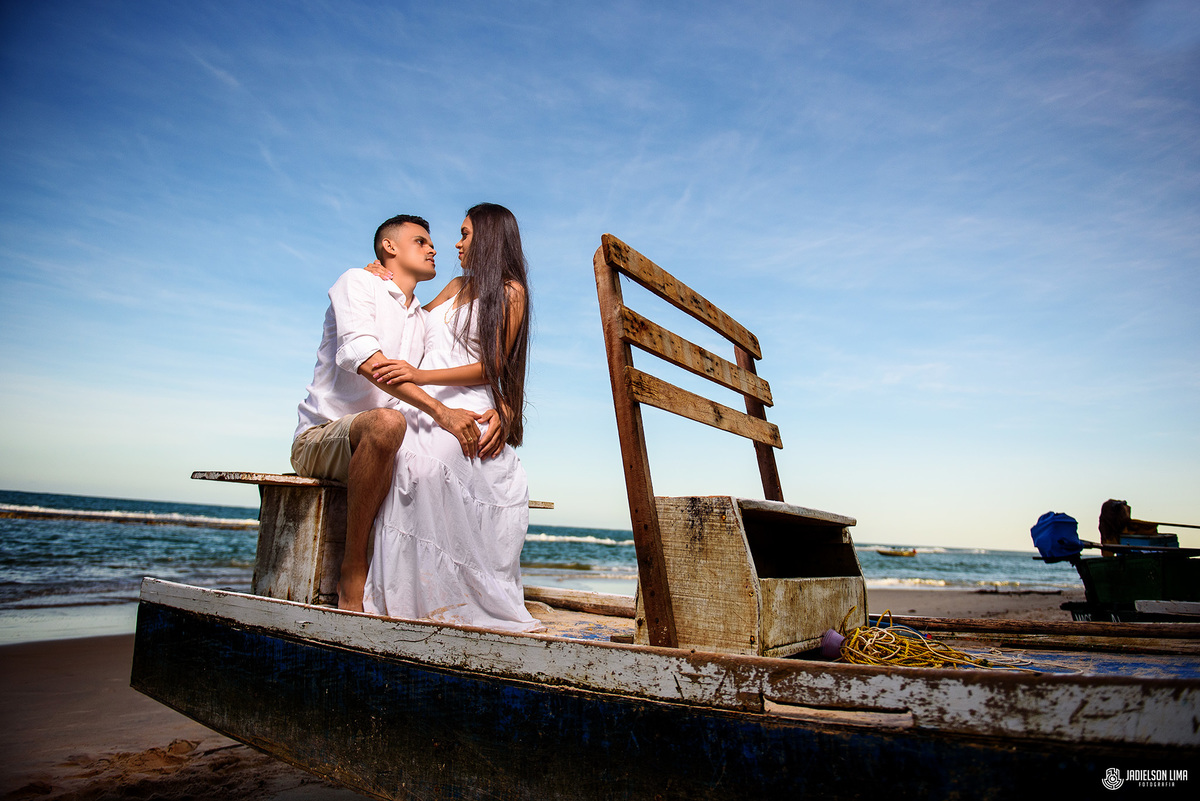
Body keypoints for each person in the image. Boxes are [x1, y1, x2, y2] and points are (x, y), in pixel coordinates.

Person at [291, 214, 501, 612]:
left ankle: (450, 593)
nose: (434, 248)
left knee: (449, 455)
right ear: (390, 248)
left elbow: (463, 366)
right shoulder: (357, 282)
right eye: (421, 241)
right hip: (324, 437)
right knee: (389, 423)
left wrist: (500, 408)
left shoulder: (423, 320)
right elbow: (364, 358)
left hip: (386, 445)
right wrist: (441, 412)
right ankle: (353, 569)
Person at [361, 203, 542, 632]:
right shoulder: (455, 284)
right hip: (426, 401)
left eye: (464, 234)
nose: (456, 244)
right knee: (408, 458)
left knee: (431, 461)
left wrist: (502, 407)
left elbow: (494, 365)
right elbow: (411, 321)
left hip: (469, 400)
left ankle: (448, 602)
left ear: (490, 237)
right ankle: (409, 597)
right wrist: (385, 277)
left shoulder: (511, 291)